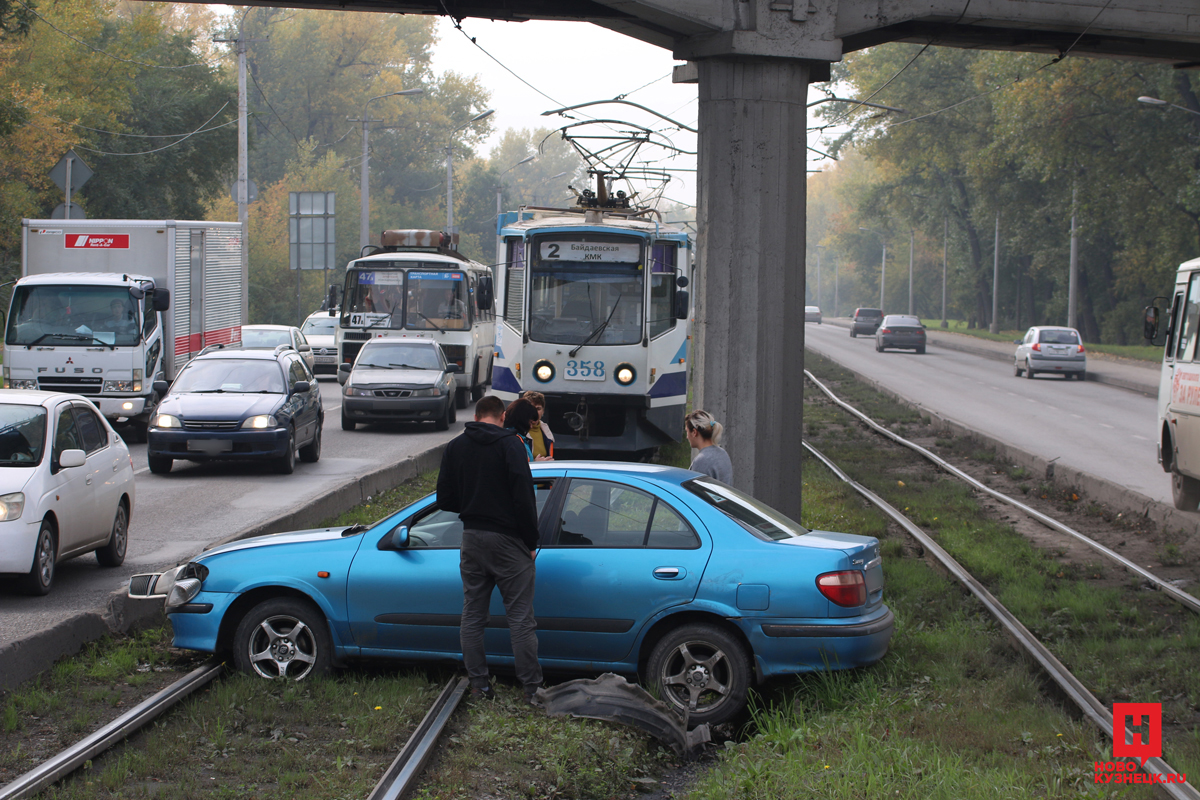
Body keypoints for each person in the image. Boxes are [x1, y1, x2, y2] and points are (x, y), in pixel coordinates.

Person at [436, 395, 542, 704]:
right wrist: (530, 541)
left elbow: (444, 499)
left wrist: (471, 505)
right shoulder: (510, 445)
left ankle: (479, 686)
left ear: (477, 415)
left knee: (472, 614)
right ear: (499, 416)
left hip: (472, 538)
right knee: (520, 617)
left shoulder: (455, 447)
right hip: (508, 540)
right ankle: (531, 690)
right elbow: (524, 497)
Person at [685, 409, 733, 483]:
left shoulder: (701, 460)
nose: (687, 437)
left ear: (694, 432)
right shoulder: (723, 453)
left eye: (687, 432)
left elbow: (694, 493)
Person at [503, 398, 541, 462]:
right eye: (530, 422)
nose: (531, 427)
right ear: (523, 420)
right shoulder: (515, 441)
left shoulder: (506, 437)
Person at [522, 391, 555, 460]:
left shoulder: (545, 430)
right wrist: (534, 463)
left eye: (538, 409)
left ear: (543, 411)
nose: (535, 412)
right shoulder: (518, 431)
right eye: (531, 408)